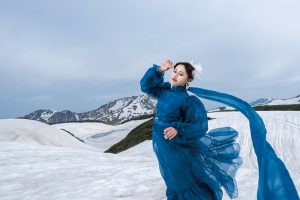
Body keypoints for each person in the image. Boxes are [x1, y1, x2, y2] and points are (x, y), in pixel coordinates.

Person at [140, 59, 299, 200]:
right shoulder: (164, 91)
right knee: (170, 178)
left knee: (182, 181)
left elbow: (199, 127)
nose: (175, 75)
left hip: (176, 147)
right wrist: (159, 70)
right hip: (162, 145)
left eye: (180, 74)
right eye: (174, 71)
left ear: (188, 79)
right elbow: (145, 85)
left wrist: (177, 129)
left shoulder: (189, 100)